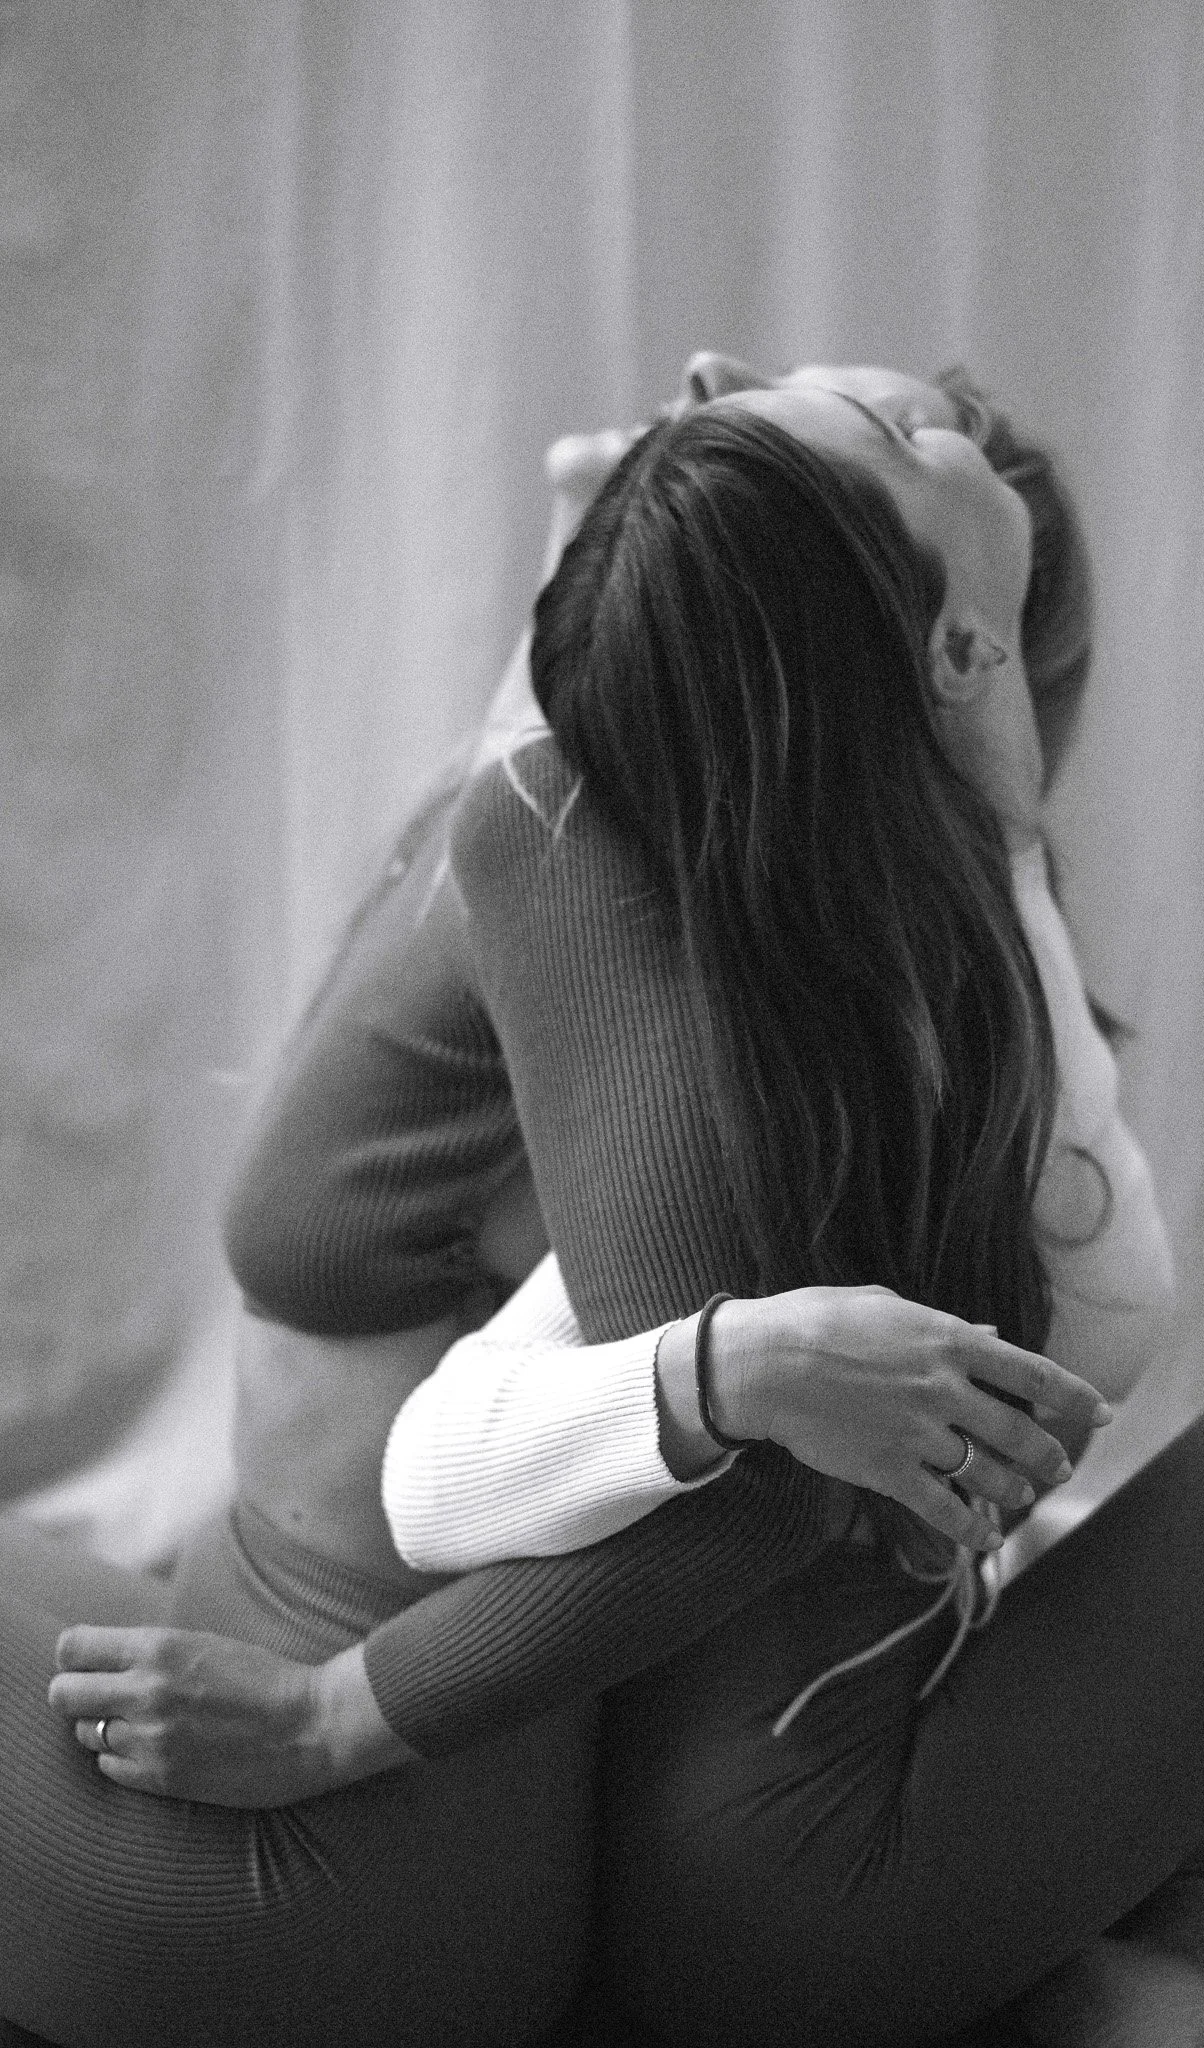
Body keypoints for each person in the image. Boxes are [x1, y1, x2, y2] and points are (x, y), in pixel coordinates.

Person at [0, 360, 1125, 2048]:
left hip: (327, 1870)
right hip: (307, 1727)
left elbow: (749, 1490)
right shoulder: (582, 813)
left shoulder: (593, 855)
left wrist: (327, 1722)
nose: (710, 378)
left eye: (845, 420)